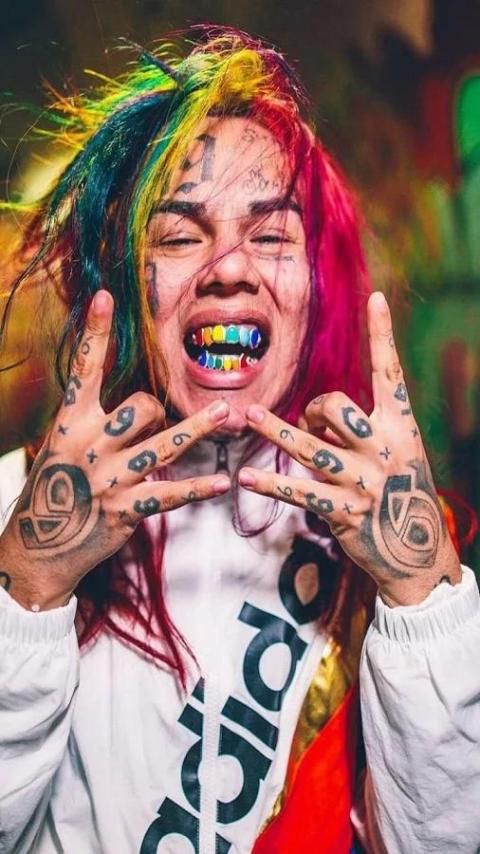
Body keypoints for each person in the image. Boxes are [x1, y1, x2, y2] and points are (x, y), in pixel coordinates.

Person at [0, 27, 479, 854]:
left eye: (270, 234)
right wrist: (29, 594)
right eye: (180, 235)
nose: (228, 266)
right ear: (130, 282)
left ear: (312, 286)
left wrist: (420, 602)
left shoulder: (382, 526)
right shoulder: (16, 507)